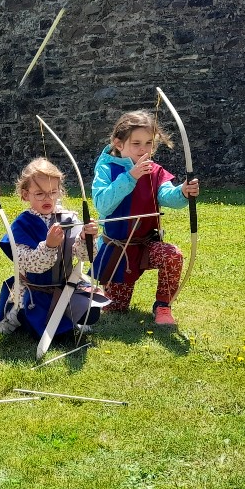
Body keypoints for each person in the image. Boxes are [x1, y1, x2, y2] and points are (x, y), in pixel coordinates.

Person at [0, 158, 105, 344]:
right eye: (39, 193)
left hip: (66, 287)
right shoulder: (22, 224)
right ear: (26, 195)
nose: (48, 198)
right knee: (39, 327)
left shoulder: (69, 218)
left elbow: (86, 256)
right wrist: (48, 245)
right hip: (34, 292)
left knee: (92, 311)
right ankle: (16, 314)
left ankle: (67, 314)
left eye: (53, 192)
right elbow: (29, 263)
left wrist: (86, 238)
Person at [91, 109, 200, 328]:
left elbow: (168, 196)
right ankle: (96, 293)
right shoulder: (106, 169)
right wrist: (130, 177)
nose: (143, 150)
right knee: (115, 308)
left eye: (149, 144)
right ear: (118, 143)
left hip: (147, 244)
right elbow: (102, 203)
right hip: (118, 249)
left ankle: (163, 306)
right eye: (136, 144)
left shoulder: (155, 171)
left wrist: (183, 192)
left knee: (172, 255)